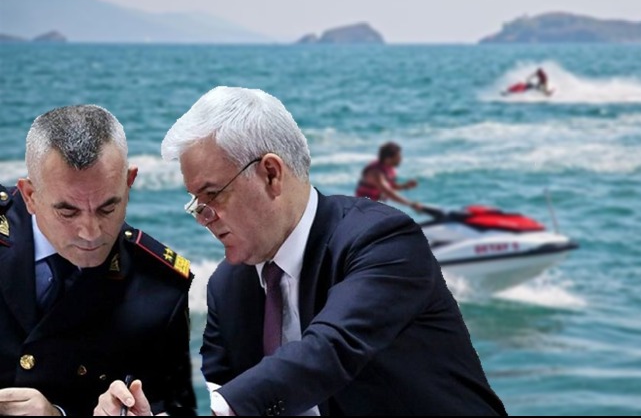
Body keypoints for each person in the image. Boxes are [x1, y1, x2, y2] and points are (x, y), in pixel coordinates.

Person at [96, 86, 508, 415]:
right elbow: (230, 397)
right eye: (195, 203)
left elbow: (331, 349)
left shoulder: (381, 240)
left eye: (213, 195)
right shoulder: (227, 286)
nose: (204, 218)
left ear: (271, 174)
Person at [0, 105, 196, 416]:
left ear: (129, 183)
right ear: (30, 196)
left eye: (107, 208)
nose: (90, 233)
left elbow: (170, 406)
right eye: (67, 211)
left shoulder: (163, 289)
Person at [354, 141, 423, 211]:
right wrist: (411, 204)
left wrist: (405, 186)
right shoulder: (376, 173)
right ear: (388, 159)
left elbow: (390, 186)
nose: (400, 159)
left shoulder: (387, 168)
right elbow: (387, 192)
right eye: (398, 157)